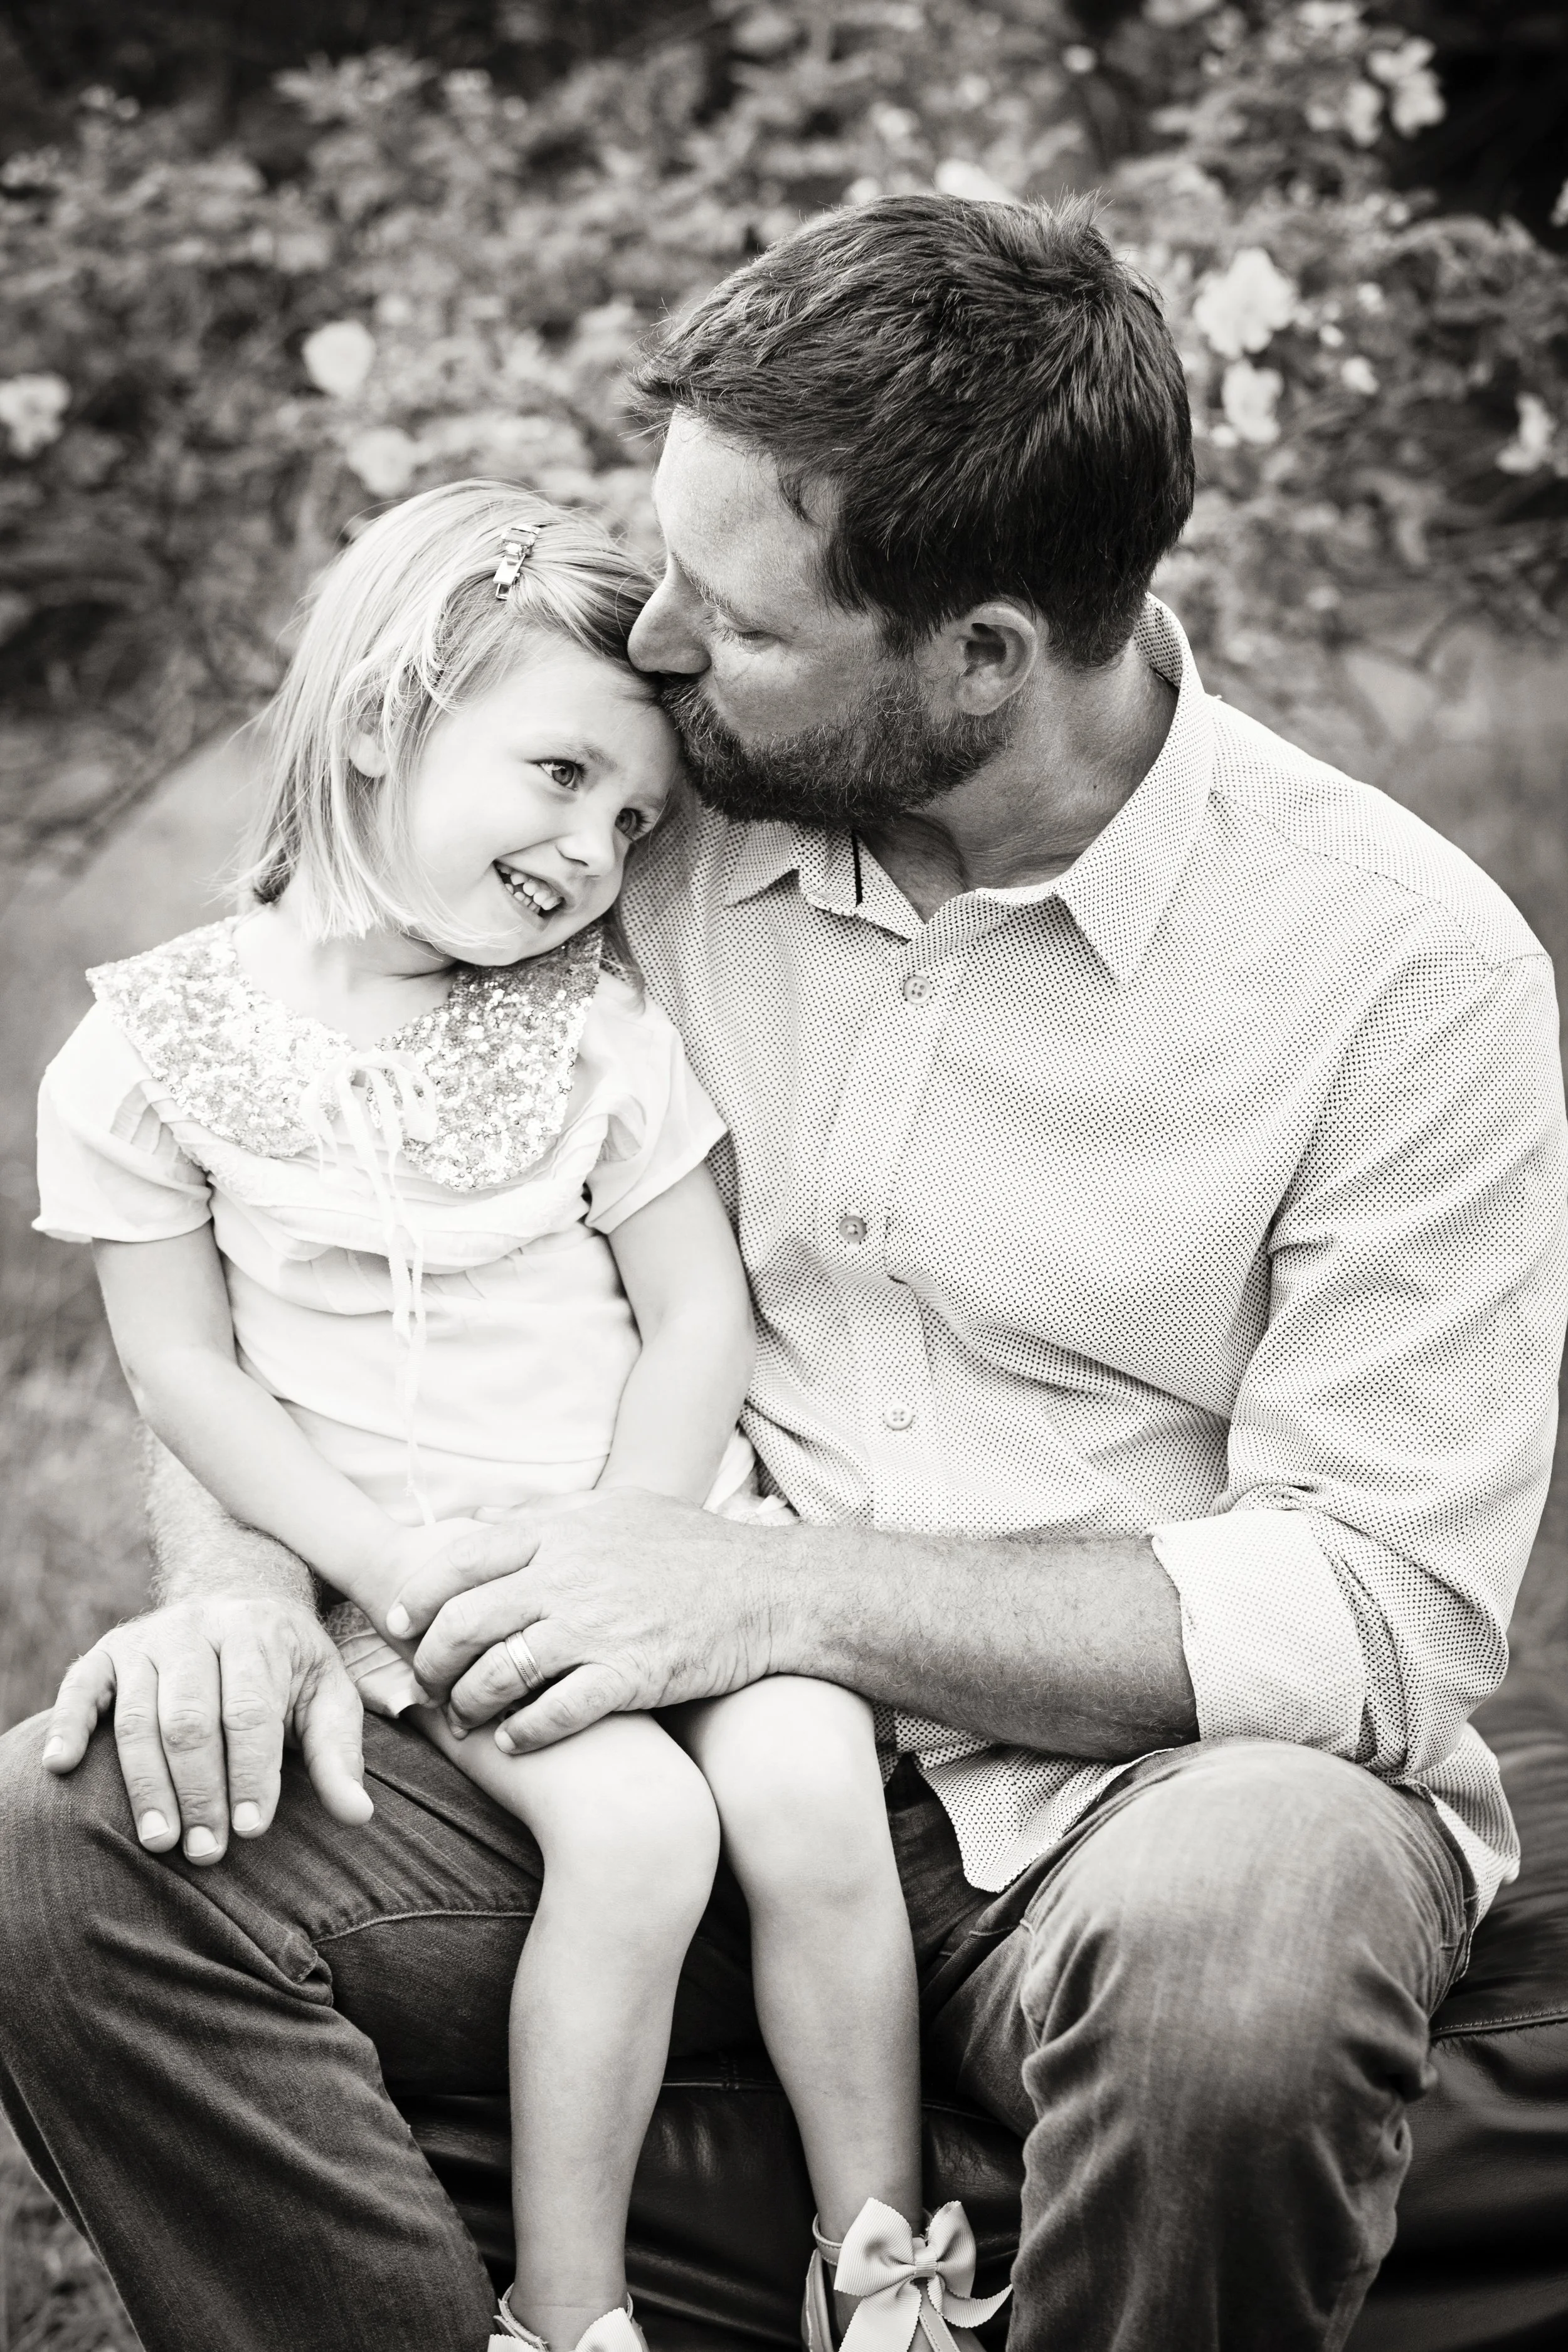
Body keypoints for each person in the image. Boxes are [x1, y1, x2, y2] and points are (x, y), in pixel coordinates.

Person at [1, 193, 1565, 2352]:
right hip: (648, 1757)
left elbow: (1386, 1610)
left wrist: (774, 1590)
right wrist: (243, 1594)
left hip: (1121, 1811)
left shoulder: (1401, 972)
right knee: (65, 1839)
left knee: (1261, 1921)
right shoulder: (637, 815)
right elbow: (292, 1227)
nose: (650, 654)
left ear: (982, 658)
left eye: (726, 625)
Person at [25, 480, 968, 2352]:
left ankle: (884, 2265)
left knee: (798, 1773)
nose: (589, 847)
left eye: (629, 819)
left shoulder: (586, 1028)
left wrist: (629, 1544)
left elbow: (696, 1305)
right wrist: (381, 1570)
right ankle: (569, 2305)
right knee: (627, 1826)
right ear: (381, 718)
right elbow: (184, 1366)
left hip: (676, 1535)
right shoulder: (151, 1053)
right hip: (429, 1580)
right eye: (555, 774)